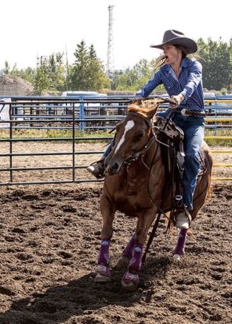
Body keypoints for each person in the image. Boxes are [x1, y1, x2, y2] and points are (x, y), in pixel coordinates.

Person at [86, 29, 206, 230]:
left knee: (193, 156)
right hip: (173, 117)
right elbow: (149, 86)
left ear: (179, 50)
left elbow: (192, 84)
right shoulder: (164, 71)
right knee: (131, 133)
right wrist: (139, 95)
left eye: (168, 48)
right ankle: (103, 162)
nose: (164, 51)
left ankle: (184, 206)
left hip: (194, 120)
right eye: (164, 48)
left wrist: (180, 97)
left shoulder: (193, 66)